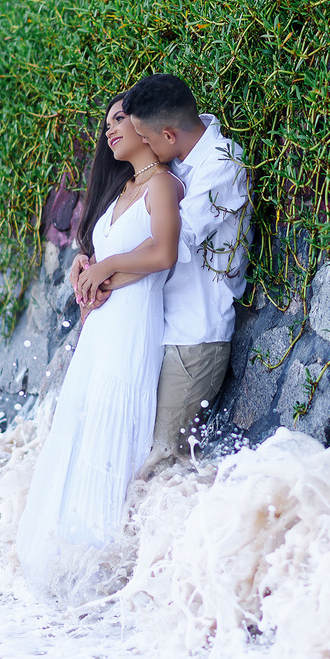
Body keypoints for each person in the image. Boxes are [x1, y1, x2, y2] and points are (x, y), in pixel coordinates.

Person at [17, 91, 185, 602]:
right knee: (85, 420)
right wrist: (86, 263)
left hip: (135, 323)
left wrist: (109, 268)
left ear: (144, 127)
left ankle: (106, 565)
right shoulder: (122, 192)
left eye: (120, 120)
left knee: (115, 419)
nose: (110, 129)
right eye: (107, 123)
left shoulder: (163, 184)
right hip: (102, 327)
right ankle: (64, 560)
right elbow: (108, 251)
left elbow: (162, 253)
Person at [69, 73, 251, 475]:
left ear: (167, 135)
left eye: (146, 140)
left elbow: (168, 246)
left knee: (162, 462)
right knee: (130, 452)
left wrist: (105, 273)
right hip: (156, 328)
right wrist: (92, 265)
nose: (144, 150)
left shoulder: (222, 166)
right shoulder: (182, 159)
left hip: (194, 335)